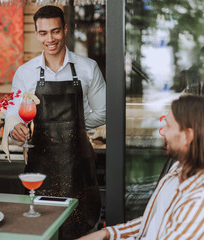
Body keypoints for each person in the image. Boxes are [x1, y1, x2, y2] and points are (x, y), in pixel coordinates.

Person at [4, 5, 106, 239]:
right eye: (43, 33)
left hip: (78, 166)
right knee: (41, 228)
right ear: (37, 33)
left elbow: (103, 111)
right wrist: (15, 129)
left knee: (79, 228)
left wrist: (76, 126)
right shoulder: (25, 73)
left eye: (55, 31)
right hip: (40, 167)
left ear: (65, 30)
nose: (50, 39)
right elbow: (12, 115)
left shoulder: (88, 68)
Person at [77, 95, 204, 240]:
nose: (162, 132)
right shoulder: (178, 168)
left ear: (188, 136)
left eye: (168, 126)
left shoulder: (199, 201)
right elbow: (154, 221)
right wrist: (106, 234)